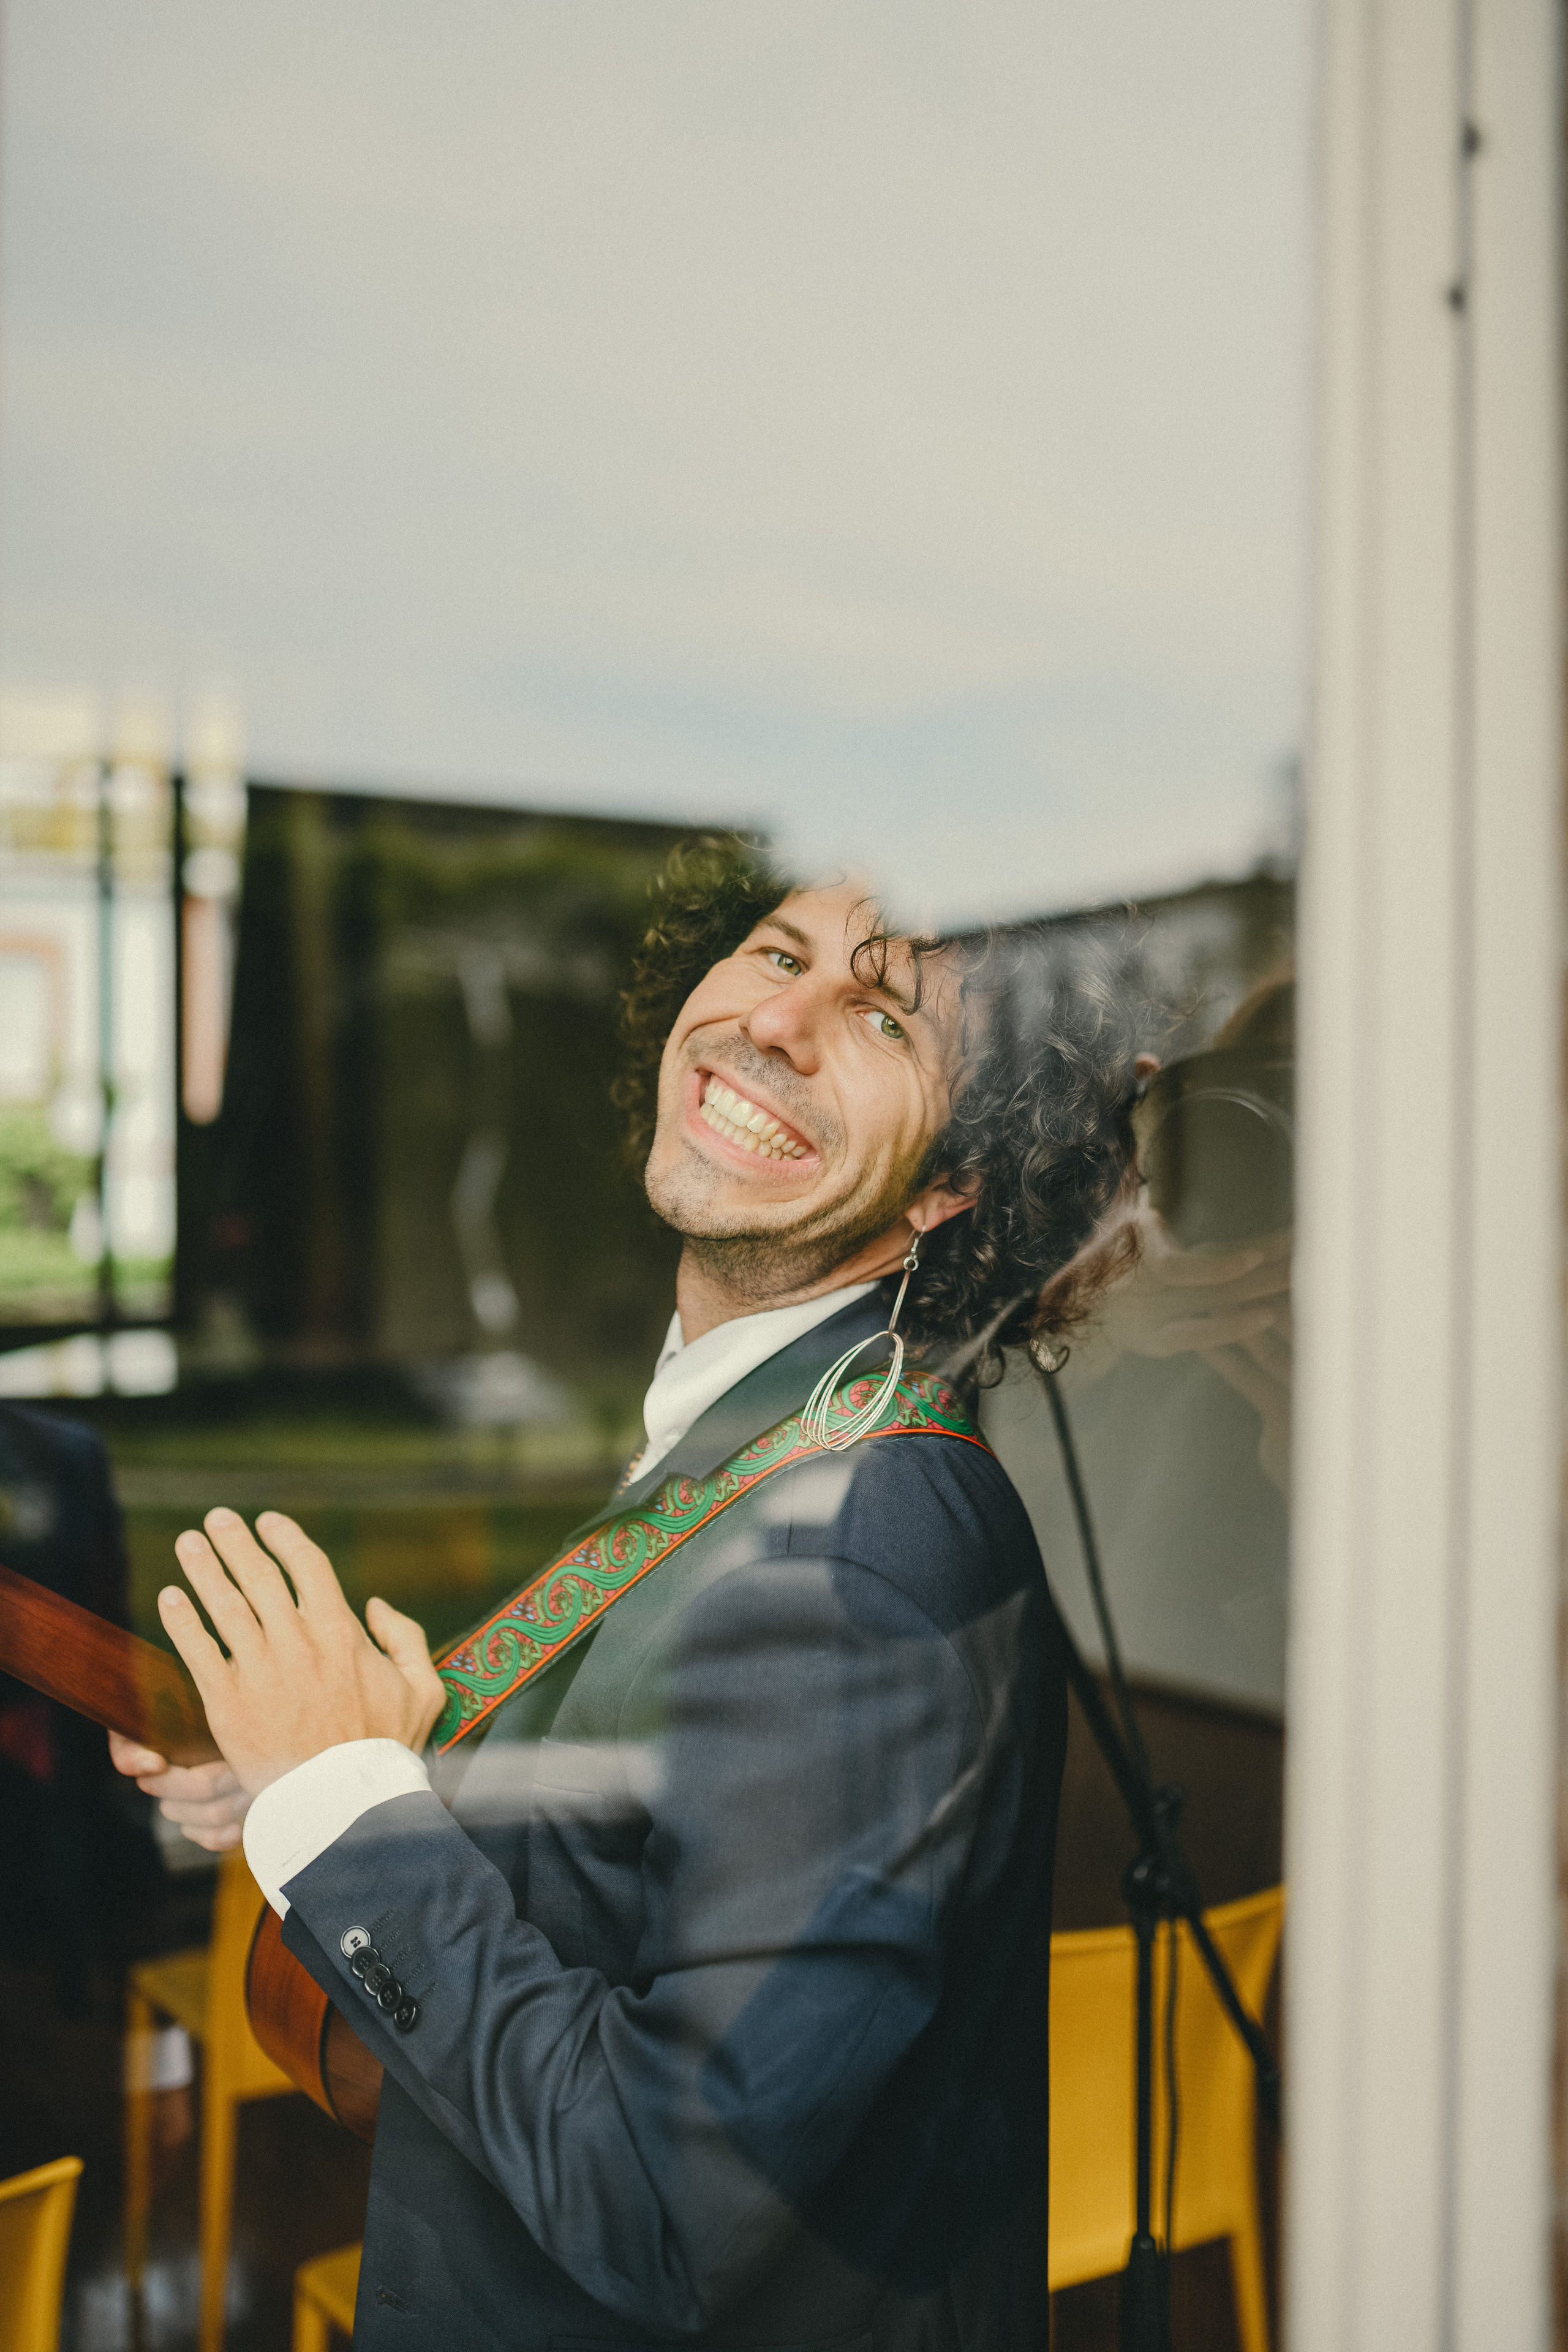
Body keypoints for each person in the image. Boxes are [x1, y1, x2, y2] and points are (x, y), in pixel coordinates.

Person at [112, 846, 1138, 2349]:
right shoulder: (768, 1431)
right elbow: (648, 1849)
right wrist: (326, 1766)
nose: (779, 1025)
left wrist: (345, 1807)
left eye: (886, 1020)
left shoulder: (864, 1545)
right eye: (779, 955)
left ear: (954, 1184)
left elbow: (660, 2203)